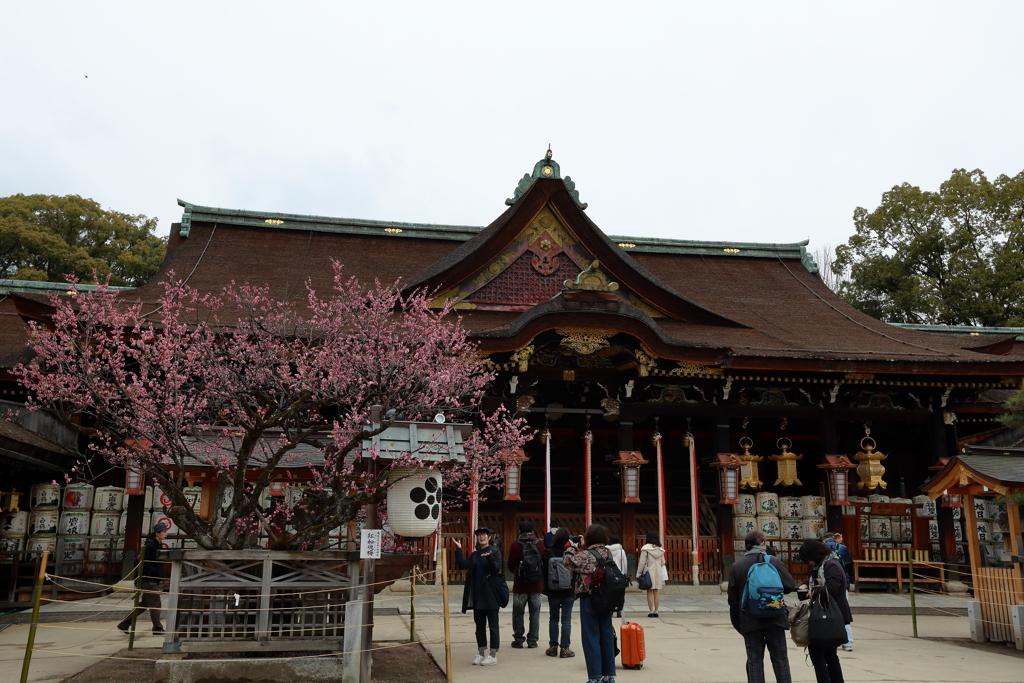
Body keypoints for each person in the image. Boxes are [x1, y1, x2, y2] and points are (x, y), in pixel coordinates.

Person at [727, 530, 798, 683]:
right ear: (762, 543)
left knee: (755, 660)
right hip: (775, 617)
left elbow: (732, 596)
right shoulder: (774, 561)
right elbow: (789, 586)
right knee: (780, 659)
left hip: (750, 619)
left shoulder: (738, 565)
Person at [564, 524, 617, 683]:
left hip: (590, 598)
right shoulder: (607, 553)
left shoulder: (586, 554)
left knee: (591, 637)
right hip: (607, 599)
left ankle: (595, 677)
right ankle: (609, 675)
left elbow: (568, 562)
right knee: (606, 636)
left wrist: (572, 547)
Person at [798, 539, 852, 683]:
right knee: (829, 653)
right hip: (827, 615)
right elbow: (816, 580)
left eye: (808, 559)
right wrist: (805, 584)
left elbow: (832, 588)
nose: (808, 563)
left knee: (818, 651)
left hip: (829, 616)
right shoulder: (823, 564)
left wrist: (813, 592)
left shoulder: (831, 565)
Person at [455, 528, 504, 666]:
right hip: (477, 594)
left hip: (491, 595)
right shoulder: (475, 554)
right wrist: (459, 550)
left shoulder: (495, 552)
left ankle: (493, 655)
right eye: (478, 535)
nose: (481, 537)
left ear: (489, 537)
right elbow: (463, 565)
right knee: (479, 626)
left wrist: (489, 558)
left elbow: (496, 570)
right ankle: (481, 653)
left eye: (484, 535)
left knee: (493, 625)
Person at [117, 522, 168, 635]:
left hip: (151, 579)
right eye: (164, 532)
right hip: (148, 579)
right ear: (157, 533)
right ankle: (157, 628)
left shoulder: (157, 544)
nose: (166, 534)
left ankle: (124, 624)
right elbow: (145, 563)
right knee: (155, 604)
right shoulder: (150, 545)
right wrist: (157, 574)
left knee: (144, 605)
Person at [507, 520, 545, 648]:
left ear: (520, 531)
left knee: (518, 613)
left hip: (520, 585)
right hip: (536, 585)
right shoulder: (539, 544)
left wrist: (517, 572)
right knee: (535, 614)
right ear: (533, 531)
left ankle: (519, 639)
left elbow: (510, 565)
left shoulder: (515, 545)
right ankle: (532, 640)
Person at [541, 527, 575, 658]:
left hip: (553, 590)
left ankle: (553, 646)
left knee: (553, 618)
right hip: (568, 590)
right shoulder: (570, 553)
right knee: (566, 620)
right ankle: (565, 648)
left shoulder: (549, 552)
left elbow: (544, 572)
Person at [823, 532, 854, 652]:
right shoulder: (842, 548)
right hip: (842, 583)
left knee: (826, 612)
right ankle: (848, 642)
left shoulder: (822, 548)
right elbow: (847, 561)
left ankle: (830, 639)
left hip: (826, 583)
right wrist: (840, 543)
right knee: (843, 613)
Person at [636, 530, 666, 617]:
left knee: (649, 591)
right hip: (657, 572)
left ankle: (651, 611)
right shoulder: (660, 549)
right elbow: (663, 562)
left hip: (648, 572)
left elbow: (642, 562)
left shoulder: (646, 549)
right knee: (656, 591)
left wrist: (638, 573)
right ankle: (656, 611)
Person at [605, 534, 628, 619]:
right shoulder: (621, 551)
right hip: (619, 573)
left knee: (609, 592)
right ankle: (619, 610)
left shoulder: (606, 550)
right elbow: (624, 563)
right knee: (620, 593)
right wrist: (624, 573)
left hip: (609, 574)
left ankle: (610, 609)